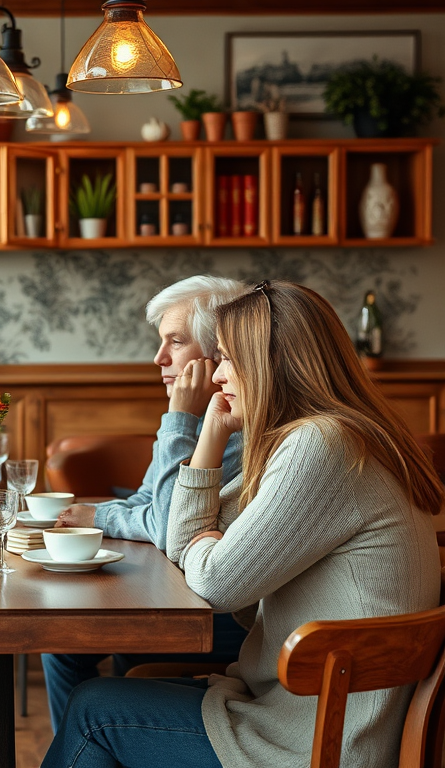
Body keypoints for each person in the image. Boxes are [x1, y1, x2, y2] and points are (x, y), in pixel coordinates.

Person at [43, 280, 443, 768]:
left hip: (318, 739)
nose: (217, 376)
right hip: (320, 716)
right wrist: (210, 435)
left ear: (268, 362)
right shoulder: (337, 435)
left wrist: (205, 548)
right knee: (108, 694)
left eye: (229, 358)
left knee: (93, 711)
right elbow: (182, 539)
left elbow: (213, 584)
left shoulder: (321, 445)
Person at [42, 275, 249, 730]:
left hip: (230, 616)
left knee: (70, 643)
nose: (158, 358)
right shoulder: (197, 418)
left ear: (220, 355)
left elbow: (166, 524)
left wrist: (101, 514)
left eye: (175, 342)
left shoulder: (233, 424)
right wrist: (123, 515)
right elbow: (146, 502)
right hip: (186, 592)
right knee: (65, 641)